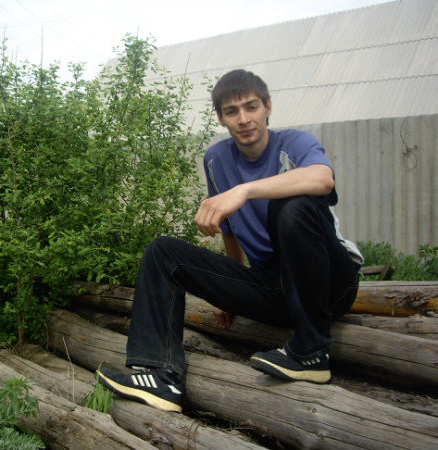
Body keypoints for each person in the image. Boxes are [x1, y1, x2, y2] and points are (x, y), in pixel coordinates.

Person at [96, 69, 363, 413]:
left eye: (251, 107)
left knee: (291, 204)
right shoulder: (216, 159)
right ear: (221, 118)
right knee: (163, 251)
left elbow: (323, 179)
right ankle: (160, 375)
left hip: (330, 284)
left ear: (268, 107)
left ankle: (312, 350)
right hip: (275, 289)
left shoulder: (295, 143)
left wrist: (244, 191)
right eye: (232, 111)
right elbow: (230, 232)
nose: (244, 119)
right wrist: (228, 289)